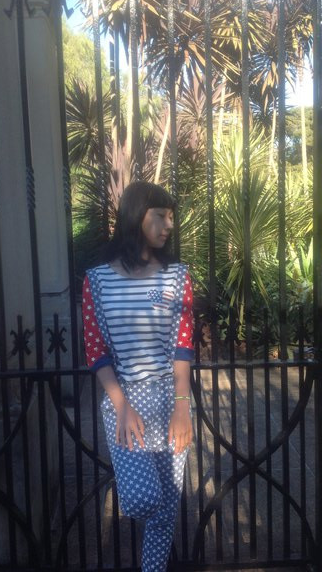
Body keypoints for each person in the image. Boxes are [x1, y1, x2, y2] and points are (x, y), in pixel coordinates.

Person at [82, 181, 194, 571]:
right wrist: (122, 407)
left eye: (172, 217)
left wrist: (182, 406)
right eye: (161, 216)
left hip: (170, 398)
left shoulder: (177, 276)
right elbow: (96, 351)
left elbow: (182, 345)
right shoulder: (97, 280)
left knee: (165, 513)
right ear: (136, 216)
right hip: (125, 400)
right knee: (144, 498)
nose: (170, 225)